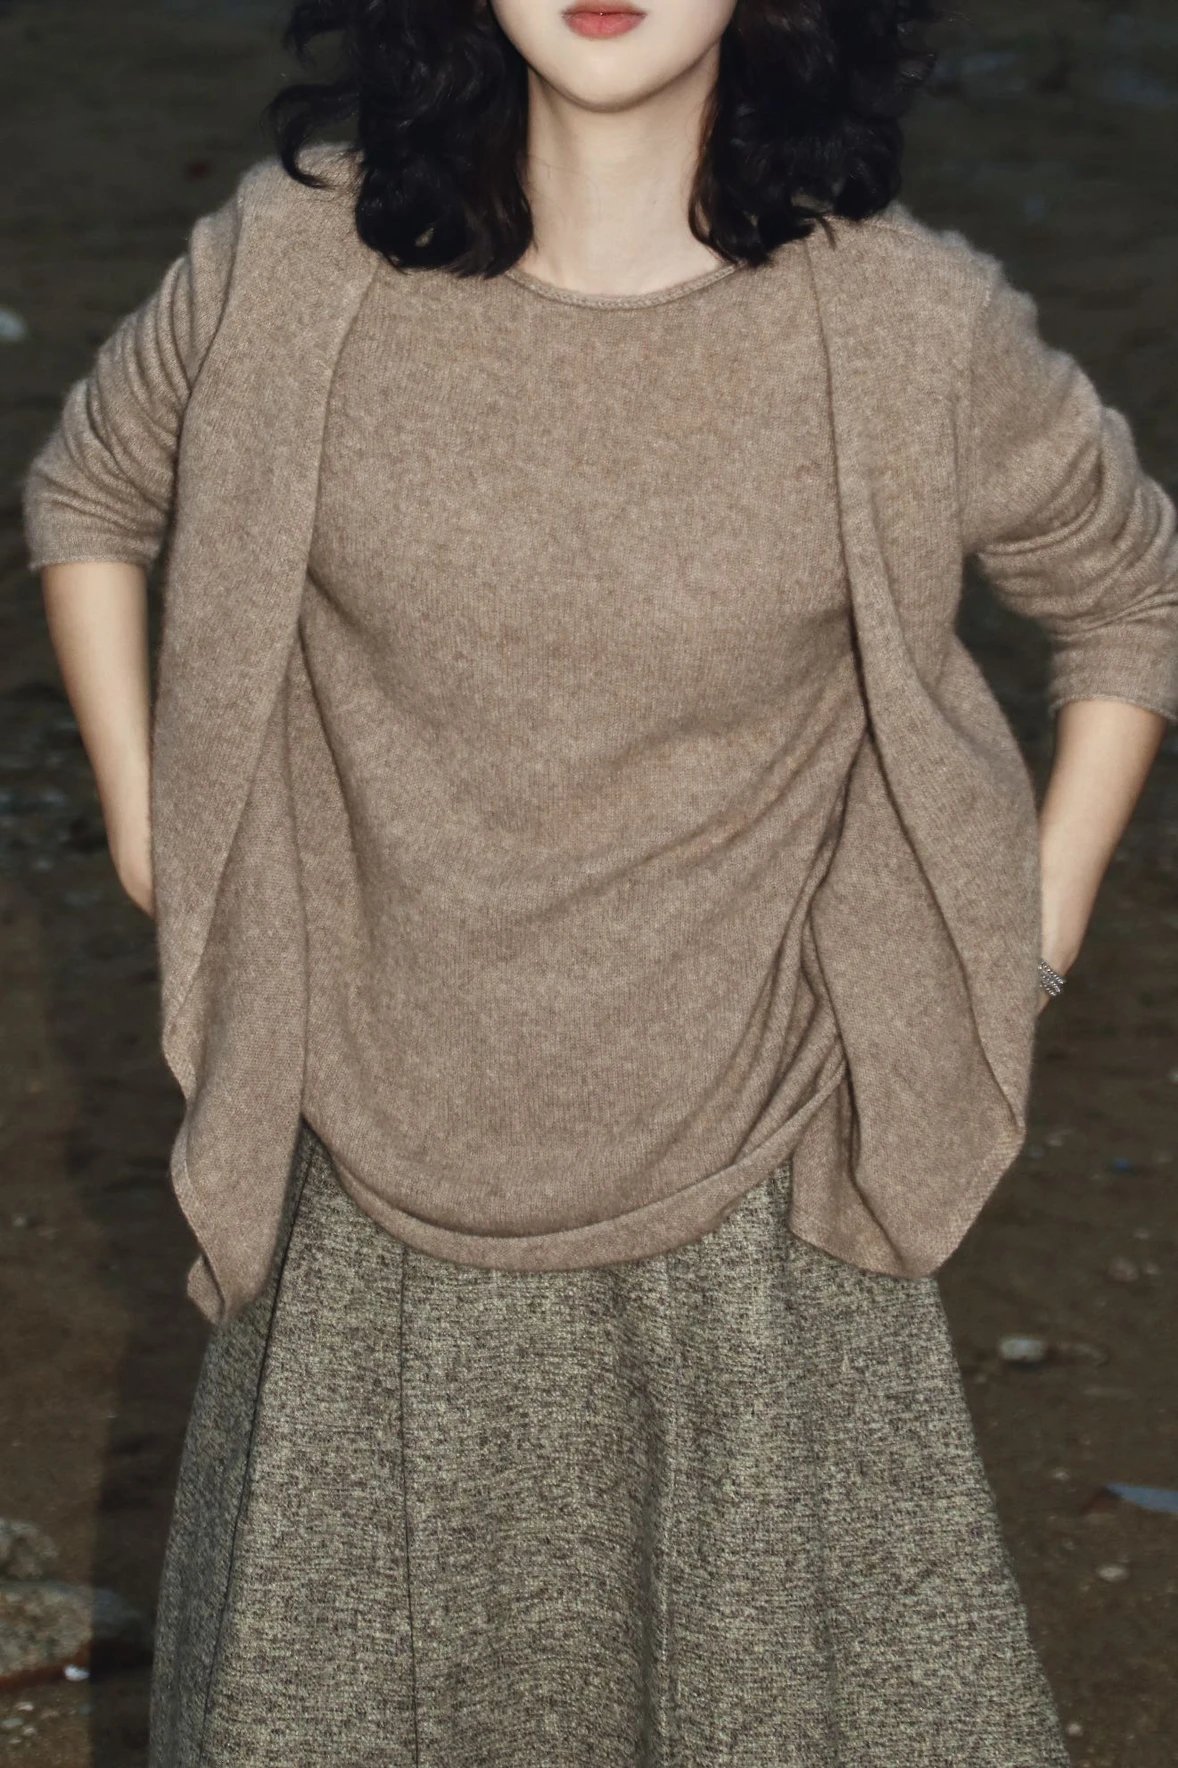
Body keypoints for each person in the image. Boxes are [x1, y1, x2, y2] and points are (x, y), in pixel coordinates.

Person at [20, 0, 1177, 1762]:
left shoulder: (899, 325)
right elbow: (95, 491)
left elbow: (1126, 590)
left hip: (753, 1187)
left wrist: (1032, 920)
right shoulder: (293, 267)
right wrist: (147, 823)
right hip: (367, 1152)